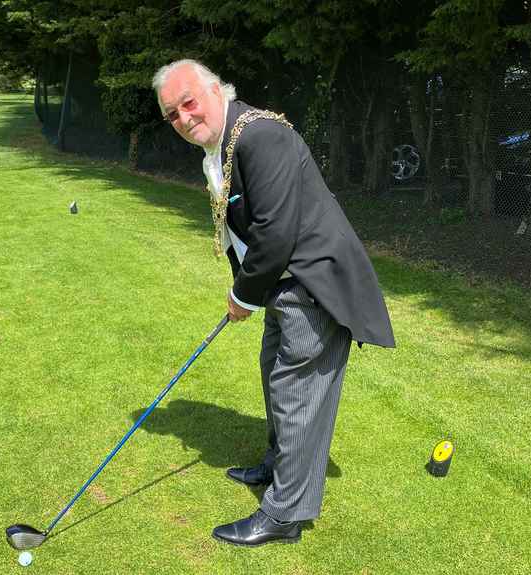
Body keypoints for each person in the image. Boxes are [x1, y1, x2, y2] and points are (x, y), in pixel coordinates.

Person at [152, 59, 395, 547]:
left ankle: (285, 515)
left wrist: (243, 294)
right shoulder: (224, 144)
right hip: (282, 285)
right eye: (172, 113)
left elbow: (275, 231)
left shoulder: (260, 135)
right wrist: (246, 285)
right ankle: (279, 464)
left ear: (216, 90)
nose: (183, 117)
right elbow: (241, 226)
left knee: (295, 389)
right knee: (275, 373)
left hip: (312, 284)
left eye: (189, 102)